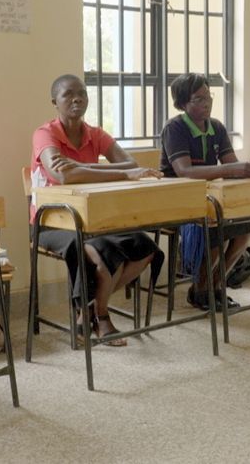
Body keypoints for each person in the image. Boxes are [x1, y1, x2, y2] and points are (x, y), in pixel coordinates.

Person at [31, 74, 164, 346]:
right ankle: (102, 317)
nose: (77, 98)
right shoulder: (45, 133)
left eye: (82, 93)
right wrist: (119, 173)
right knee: (102, 254)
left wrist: (85, 169)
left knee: (145, 248)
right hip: (53, 222)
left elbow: (130, 163)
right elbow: (64, 176)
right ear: (54, 101)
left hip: (94, 218)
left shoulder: (96, 134)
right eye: (68, 94)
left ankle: (89, 308)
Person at [159, 73, 250, 310]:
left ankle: (214, 286)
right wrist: (231, 168)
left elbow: (230, 166)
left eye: (208, 96)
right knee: (216, 231)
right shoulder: (174, 128)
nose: (206, 103)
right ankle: (200, 289)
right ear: (182, 104)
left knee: (244, 231)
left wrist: (249, 169)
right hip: (177, 199)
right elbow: (184, 171)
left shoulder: (216, 127)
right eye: (198, 99)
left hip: (210, 199)